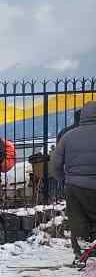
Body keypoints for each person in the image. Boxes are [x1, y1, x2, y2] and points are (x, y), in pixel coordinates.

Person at [49, 100, 96, 261]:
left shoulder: (68, 137)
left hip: (74, 186)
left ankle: (81, 256)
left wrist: (65, 180)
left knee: (77, 220)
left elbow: (54, 166)